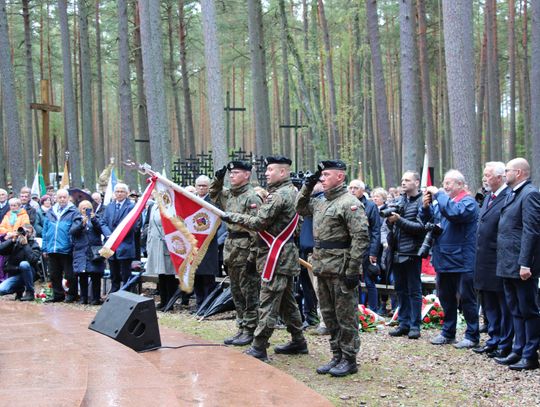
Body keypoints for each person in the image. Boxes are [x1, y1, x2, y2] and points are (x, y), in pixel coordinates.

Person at [222, 156, 307, 361]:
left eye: (270, 170)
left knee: (267, 301)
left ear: (283, 172)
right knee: (286, 301)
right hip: (283, 254)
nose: (267, 173)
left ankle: (259, 346)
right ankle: (298, 340)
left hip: (275, 256)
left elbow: (260, 222)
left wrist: (232, 216)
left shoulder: (278, 196)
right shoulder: (292, 192)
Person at [296, 160, 369, 377]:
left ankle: (349, 358)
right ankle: (336, 354)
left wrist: (353, 270)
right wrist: (307, 185)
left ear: (340, 177)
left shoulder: (349, 203)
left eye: (326, 175)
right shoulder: (320, 202)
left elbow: (360, 238)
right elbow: (300, 207)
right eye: (321, 175)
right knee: (328, 315)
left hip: (341, 268)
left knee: (345, 315)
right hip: (322, 266)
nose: (322, 178)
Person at [422, 170, 480, 348]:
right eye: (444, 183)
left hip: (462, 260)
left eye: (449, 183)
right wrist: (425, 207)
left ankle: (472, 336)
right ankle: (448, 333)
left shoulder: (468, 202)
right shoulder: (445, 202)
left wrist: (439, 194)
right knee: (446, 298)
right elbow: (431, 220)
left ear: (460, 185)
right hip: (443, 258)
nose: (445, 186)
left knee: (467, 299)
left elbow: (455, 214)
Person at [494, 158, 540, 370]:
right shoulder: (513, 194)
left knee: (528, 310)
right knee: (515, 309)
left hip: (521, 265)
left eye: (508, 170)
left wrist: (525, 264)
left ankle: (530, 355)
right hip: (507, 263)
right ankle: (518, 349)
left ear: (519, 172)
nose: (504, 174)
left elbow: (531, 231)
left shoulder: (530, 194)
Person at [209, 161, 261, 346]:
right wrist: (218, 178)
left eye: (236, 173)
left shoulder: (251, 197)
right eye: (230, 174)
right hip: (231, 247)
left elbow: (257, 229)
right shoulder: (230, 194)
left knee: (249, 292)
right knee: (236, 291)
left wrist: (252, 257)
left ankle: (250, 329)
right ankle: (241, 327)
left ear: (247, 175)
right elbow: (213, 195)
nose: (232, 176)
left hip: (245, 248)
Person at [472, 162, 513, 359]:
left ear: (500, 177)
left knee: (502, 303)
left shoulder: (508, 197)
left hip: (498, 260)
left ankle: (505, 342)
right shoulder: (489, 197)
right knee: (489, 304)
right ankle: (493, 338)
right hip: (484, 260)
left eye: (488, 175)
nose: (485, 179)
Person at [386, 171, 426, 339]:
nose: (403, 182)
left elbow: (420, 227)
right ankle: (403, 323)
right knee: (400, 289)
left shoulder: (423, 203)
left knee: (414, 290)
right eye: (402, 179)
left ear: (416, 183)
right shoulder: (399, 200)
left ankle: (415, 325)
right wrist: (389, 222)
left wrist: (399, 220)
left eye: (407, 180)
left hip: (411, 252)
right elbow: (391, 227)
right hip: (396, 251)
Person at [42, 189, 82, 302]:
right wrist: (45, 248)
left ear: (68, 198)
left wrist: (71, 242)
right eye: (60, 197)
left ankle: (71, 294)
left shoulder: (73, 212)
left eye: (64, 197)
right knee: (54, 274)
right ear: (56, 198)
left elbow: (76, 228)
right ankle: (58, 295)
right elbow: (45, 231)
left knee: (70, 274)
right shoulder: (50, 212)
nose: (62, 199)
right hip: (52, 247)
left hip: (66, 248)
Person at [348, 179, 381, 313]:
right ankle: (357, 310)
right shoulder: (345, 204)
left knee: (369, 281)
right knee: (353, 280)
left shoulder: (370, 206)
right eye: (350, 188)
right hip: (350, 249)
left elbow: (376, 231)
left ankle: (373, 310)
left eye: (355, 188)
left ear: (362, 191)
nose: (352, 190)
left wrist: (373, 252)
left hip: (366, 249)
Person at [100, 183, 136, 293]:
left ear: (127, 193)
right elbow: (103, 222)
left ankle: (126, 292)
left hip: (125, 244)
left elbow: (133, 224)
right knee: (113, 272)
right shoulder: (109, 206)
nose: (119, 194)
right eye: (117, 191)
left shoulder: (131, 207)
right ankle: (114, 291)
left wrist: (118, 235)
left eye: (122, 191)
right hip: (111, 245)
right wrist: (108, 234)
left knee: (125, 273)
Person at [297, 182, 323, 329]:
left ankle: (322, 319)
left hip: (317, 253)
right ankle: (310, 316)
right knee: (307, 287)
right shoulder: (306, 203)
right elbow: (299, 206)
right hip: (304, 253)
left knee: (318, 288)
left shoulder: (322, 202)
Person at [70, 200, 105, 305]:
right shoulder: (77, 219)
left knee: (96, 275)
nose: (85, 210)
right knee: (82, 275)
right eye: (83, 208)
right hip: (81, 251)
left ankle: (96, 298)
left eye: (87, 208)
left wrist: (93, 219)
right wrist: (82, 224)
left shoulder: (96, 218)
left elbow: (101, 229)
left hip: (94, 251)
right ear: (80, 210)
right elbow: (73, 232)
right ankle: (83, 298)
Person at [193, 175, 220, 310]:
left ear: (209, 187)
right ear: (196, 186)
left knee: (207, 278)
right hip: (193, 244)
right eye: (199, 185)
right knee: (196, 276)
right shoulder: (190, 200)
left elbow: (218, 222)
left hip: (208, 244)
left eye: (204, 185)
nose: (202, 188)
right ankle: (199, 304)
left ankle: (207, 306)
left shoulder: (213, 202)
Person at [145, 201, 178, 311]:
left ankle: (170, 302)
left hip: (167, 244)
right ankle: (163, 301)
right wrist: (148, 243)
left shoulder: (171, 205)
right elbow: (150, 226)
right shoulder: (153, 206)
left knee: (169, 274)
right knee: (161, 274)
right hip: (155, 244)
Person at [0, 224, 41, 301]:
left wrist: (26, 245)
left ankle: (30, 293)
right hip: (16, 273)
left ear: (32, 234)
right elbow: (1, 250)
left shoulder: (34, 244)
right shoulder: (15, 242)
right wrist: (12, 240)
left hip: (30, 274)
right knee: (1, 290)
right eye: (22, 230)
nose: (24, 233)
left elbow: (33, 259)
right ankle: (19, 289)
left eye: (27, 232)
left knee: (24, 264)